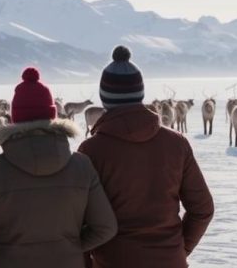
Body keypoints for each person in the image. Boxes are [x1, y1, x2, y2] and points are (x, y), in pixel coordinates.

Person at [0, 67, 117, 268]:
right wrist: (71, 247)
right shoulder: (81, 166)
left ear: (14, 119)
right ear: (52, 116)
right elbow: (105, 227)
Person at [78, 46, 215, 268]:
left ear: (105, 99)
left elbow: (80, 221)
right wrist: (179, 251)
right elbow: (202, 209)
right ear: (140, 93)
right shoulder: (176, 144)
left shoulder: (91, 151)